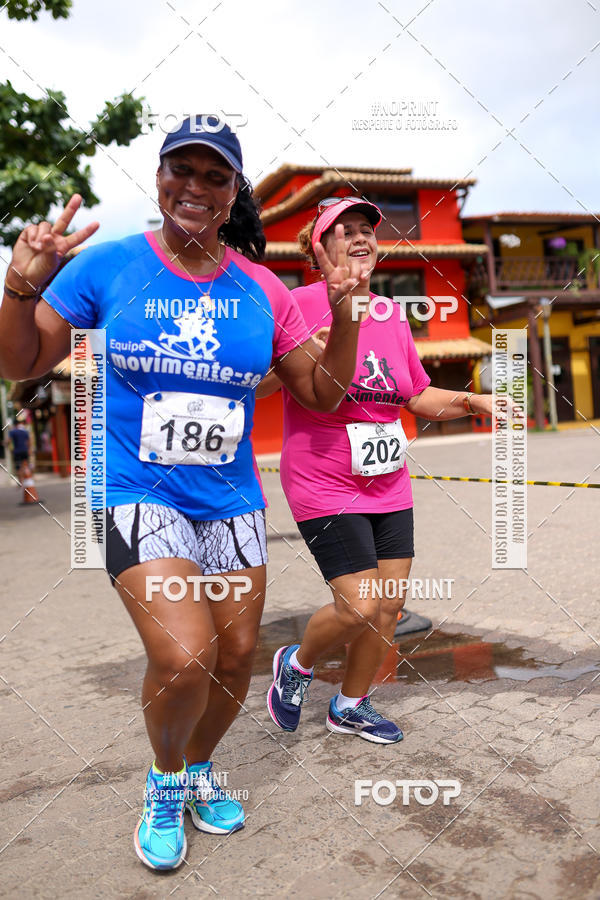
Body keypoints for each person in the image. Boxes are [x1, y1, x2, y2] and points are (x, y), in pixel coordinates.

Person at [0, 120, 371, 871]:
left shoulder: (262, 289)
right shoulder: (107, 267)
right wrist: (19, 284)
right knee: (184, 655)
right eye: (183, 172)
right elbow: (22, 362)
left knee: (235, 659)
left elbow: (323, 394)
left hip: (230, 500)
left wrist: (343, 315)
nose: (195, 188)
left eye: (214, 177)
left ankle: (199, 764)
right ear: (160, 176)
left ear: (234, 193)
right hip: (136, 488)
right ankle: (164, 783)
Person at [261, 196, 499, 744]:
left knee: (388, 607)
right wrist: (298, 354)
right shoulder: (293, 305)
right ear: (317, 249)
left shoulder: (391, 314)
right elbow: (255, 386)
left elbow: (414, 394)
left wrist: (472, 403)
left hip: (387, 480)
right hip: (322, 479)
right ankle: (296, 665)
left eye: (366, 227)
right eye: (342, 231)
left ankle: (350, 704)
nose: (359, 237)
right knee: (359, 604)